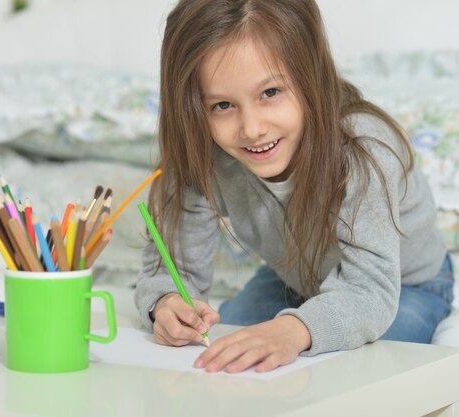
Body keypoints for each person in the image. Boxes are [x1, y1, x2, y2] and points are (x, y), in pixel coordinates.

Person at [134, 0, 455, 374]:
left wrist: (296, 328)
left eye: (270, 93)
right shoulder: (203, 156)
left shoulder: (364, 151)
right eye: (222, 105)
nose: (252, 129)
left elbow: (370, 293)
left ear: (310, 77)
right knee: (223, 350)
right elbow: (173, 270)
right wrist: (167, 302)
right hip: (295, 280)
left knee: (351, 370)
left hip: (403, 287)